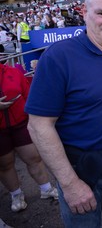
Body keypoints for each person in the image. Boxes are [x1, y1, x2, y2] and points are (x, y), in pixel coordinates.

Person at [25, 0, 102, 227]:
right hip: (80, 171)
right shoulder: (58, 57)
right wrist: (69, 183)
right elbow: (38, 126)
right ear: (85, 13)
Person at [0, 61, 58, 213]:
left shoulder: (13, 72)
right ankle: (16, 195)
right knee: (5, 164)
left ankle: (46, 188)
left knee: (34, 157)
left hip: (20, 123)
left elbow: (28, 94)